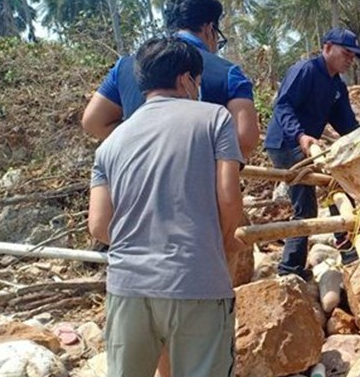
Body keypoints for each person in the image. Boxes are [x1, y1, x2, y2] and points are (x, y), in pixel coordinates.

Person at [88, 36, 245, 377]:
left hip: (127, 287)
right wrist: (214, 244)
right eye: (198, 82)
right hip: (198, 281)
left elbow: (99, 226)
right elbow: (229, 199)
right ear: (186, 79)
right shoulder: (215, 119)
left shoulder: (112, 142)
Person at [81, 0, 259, 160]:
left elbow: (93, 121)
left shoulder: (125, 67)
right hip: (200, 185)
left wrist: (140, 144)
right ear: (209, 29)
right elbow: (245, 139)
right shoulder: (228, 73)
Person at [264, 27, 360, 278]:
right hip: (286, 143)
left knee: (339, 184)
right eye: (346, 53)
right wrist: (300, 136)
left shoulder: (336, 86)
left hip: (311, 147)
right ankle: (289, 268)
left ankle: (348, 250)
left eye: (352, 56)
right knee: (306, 206)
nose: (349, 59)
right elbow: (283, 106)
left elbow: (346, 124)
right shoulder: (305, 71)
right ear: (327, 48)